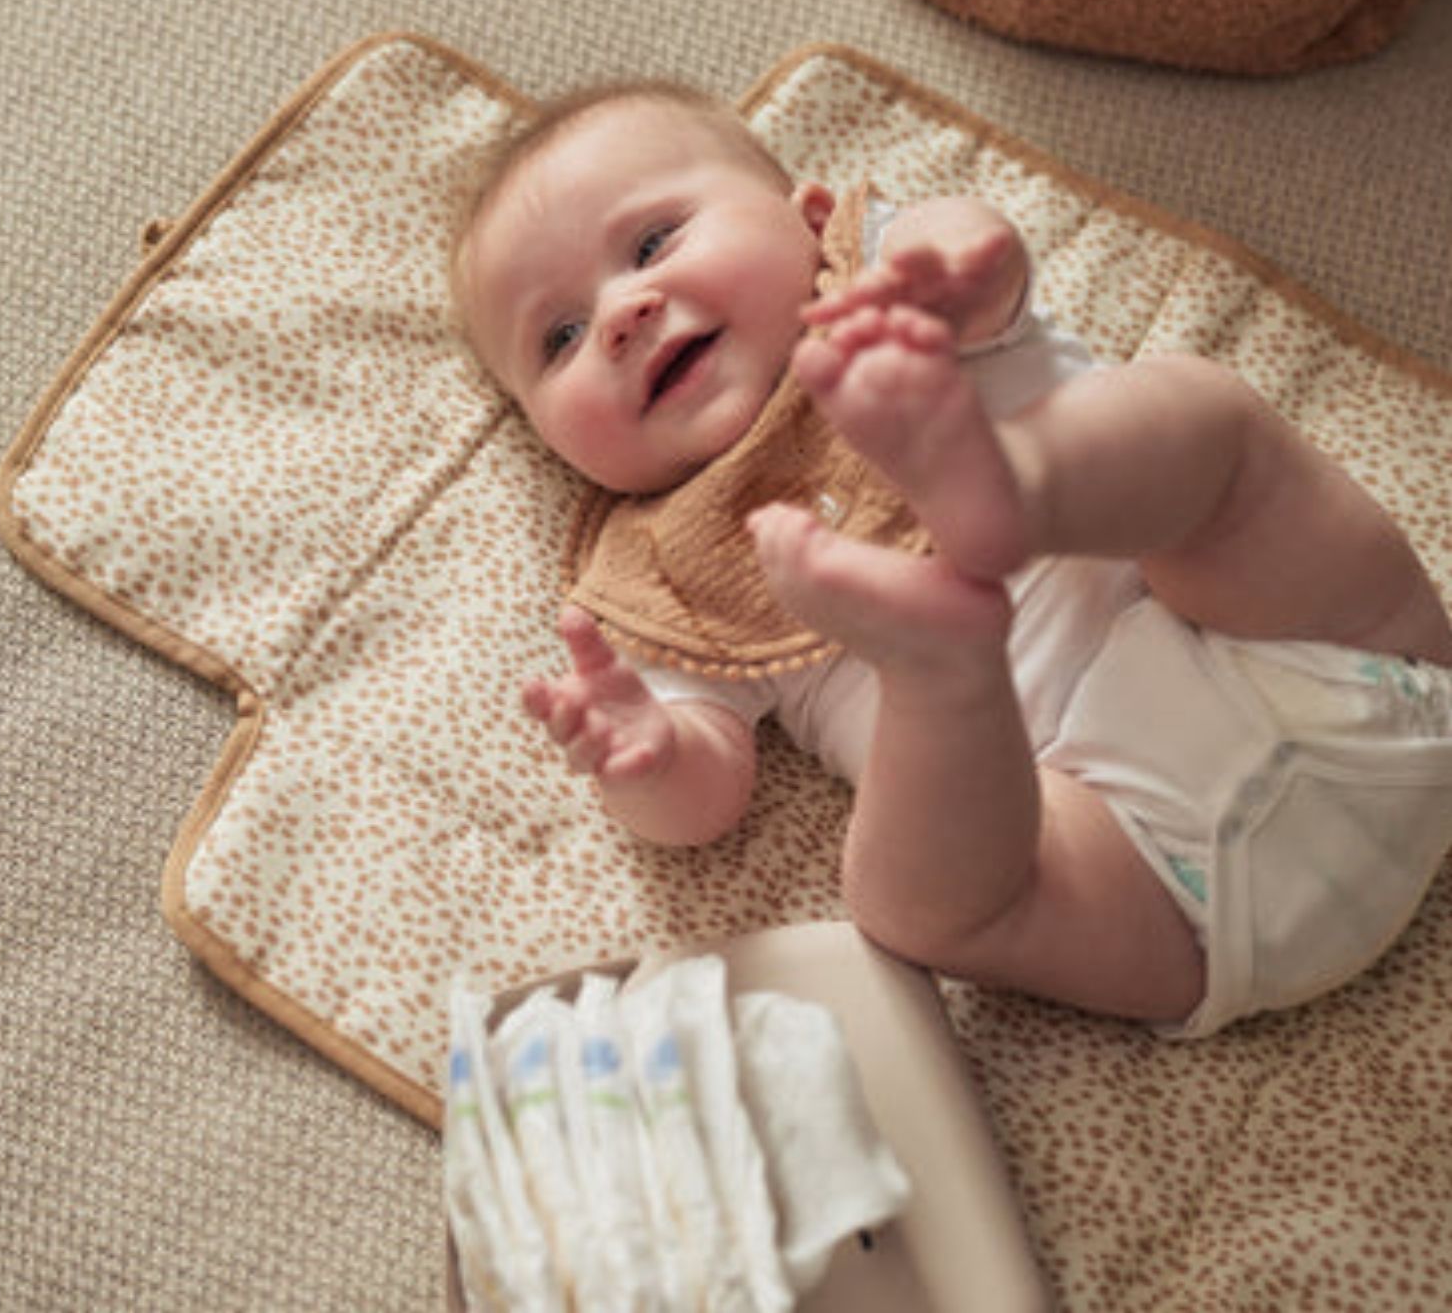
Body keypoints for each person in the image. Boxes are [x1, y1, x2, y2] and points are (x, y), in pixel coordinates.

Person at [452, 80, 1452, 1036]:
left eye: (653, 240)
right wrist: (647, 758)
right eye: (561, 337)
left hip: (1337, 661)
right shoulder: (666, 572)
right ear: (552, 440)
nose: (623, 313)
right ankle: (943, 670)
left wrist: (950, 268)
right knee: (902, 904)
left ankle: (1017, 491)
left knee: (1202, 420)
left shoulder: (889, 289)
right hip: (1146, 881)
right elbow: (706, 800)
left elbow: (982, 249)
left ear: (810, 218)